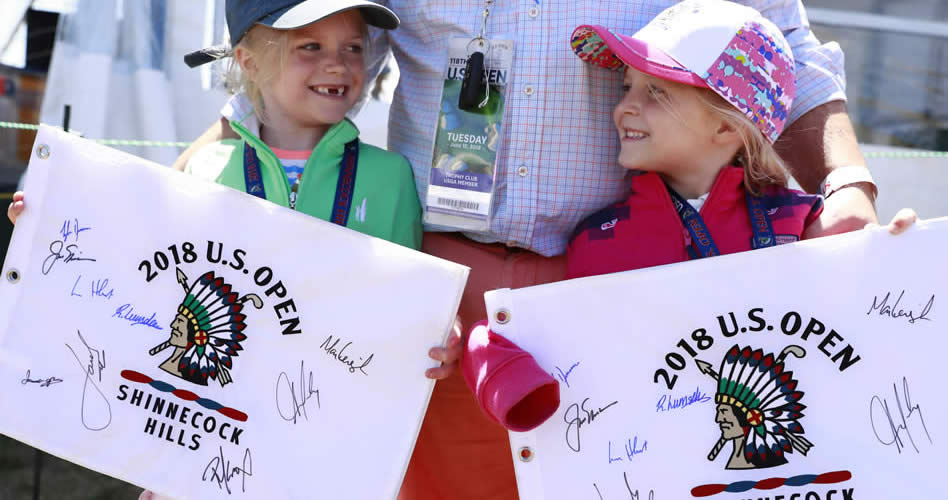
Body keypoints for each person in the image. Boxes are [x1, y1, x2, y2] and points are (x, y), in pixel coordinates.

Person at [162, 2, 882, 499]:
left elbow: (791, 53)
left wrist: (847, 185)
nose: (631, 101)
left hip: (613, 280)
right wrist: (196, 175)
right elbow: (308, 37)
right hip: (436, 297)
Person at [461, 0, 918, 448]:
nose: (625, 108)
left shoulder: (801, 226)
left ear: (728, 126)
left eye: (655, 92)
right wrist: (497, 367)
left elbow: (869, 329)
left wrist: (903, 253)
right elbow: (526, 344)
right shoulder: (596, 242)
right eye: (626, 87)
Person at [8, 0, 422, 252]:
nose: (337, 63)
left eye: (353, 47)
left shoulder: (393, 178)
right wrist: (54, 225)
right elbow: (143, 257)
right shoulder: (206, 168)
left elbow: (407, 307)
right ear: (249, 62)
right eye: (310, 46)